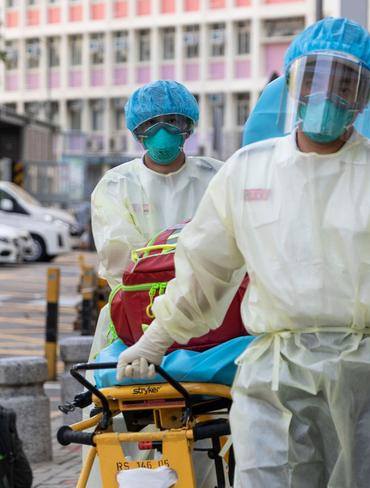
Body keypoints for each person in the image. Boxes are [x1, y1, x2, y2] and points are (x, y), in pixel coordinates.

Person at [115, 18, 370, 488]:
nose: (327, 94)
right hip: (274, 375)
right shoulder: (247, 173)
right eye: (315, 78)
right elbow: (204, 273)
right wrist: (155, 339)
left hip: (369, 379)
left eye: (344, 83)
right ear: (292, 81)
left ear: (365, 95)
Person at [87, 79, 223, 488]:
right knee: (122, 434)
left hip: (209, 321)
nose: (163, 133)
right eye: (151, 124)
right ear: (135, 131)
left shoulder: (217, 177)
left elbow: (231, 251)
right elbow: (121, 264)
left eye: (173, 122)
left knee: (207, 435)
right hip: (130, 323)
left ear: (190, 125)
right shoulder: (116, 185)